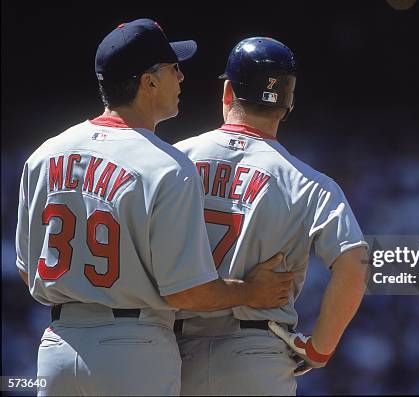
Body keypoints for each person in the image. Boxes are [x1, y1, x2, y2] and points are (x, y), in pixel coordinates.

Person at [15, 21, 292, 396]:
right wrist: (250, 292)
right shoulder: (167, 166)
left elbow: (26, 270)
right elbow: (187, 294)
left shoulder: (43, 156)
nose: (181, 76)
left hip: (57, 347)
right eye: (172, 67)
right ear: (148, 82)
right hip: (134, 349)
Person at [173, 37, 369, 396]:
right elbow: (355, 264)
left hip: (171, 352)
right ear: (287, 103)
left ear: (228, 91)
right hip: (257, 353)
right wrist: (319, 349)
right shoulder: (309, 182)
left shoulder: (171, 159)